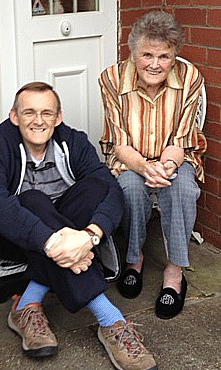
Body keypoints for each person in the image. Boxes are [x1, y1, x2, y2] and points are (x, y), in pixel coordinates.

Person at [0, 81, 157, 370]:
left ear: (58, 117)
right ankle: (110, 319)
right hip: (15, 238)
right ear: (15, 116)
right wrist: (54, 243)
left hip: (71, 232)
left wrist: (88, 237)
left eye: (47, 113)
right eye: (29, 113)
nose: (39, 120)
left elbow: (111, 191)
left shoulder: (73, 140)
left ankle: (26, 303)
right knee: (34, 200)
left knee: (97, 185)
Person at [99, 11, 206, 320]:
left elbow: (181, 139)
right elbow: (119, 142)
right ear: (133, 53)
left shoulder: (189, 77)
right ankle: (134, 259)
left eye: (164, 56)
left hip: (176, 155)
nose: (155, 64)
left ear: (175, 56)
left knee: (183, 187)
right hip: (130, 157)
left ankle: (175, 271)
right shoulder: (111, 79)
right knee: (130, 188)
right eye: (147, 54)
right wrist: (146, 168)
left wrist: (166, 166)